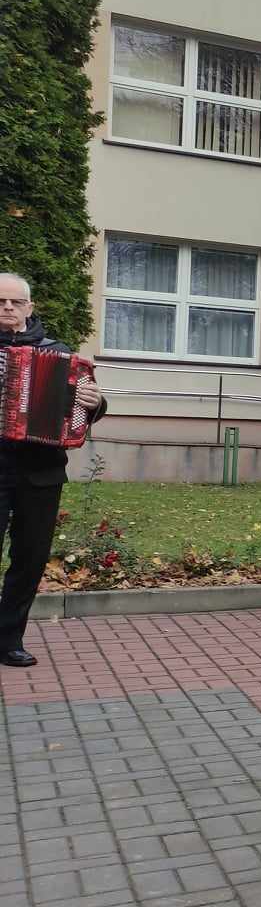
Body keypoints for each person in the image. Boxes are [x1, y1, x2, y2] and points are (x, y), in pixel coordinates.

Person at [0, 274, 107, 669]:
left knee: (30, 559)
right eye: (0, 301)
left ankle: (9, 640)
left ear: (29, 307)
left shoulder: (58, 353)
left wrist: (94, 402)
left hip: (40, 473)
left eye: (16, 302)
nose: (8, 307)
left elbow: (85, 406)